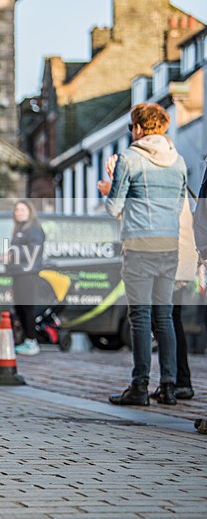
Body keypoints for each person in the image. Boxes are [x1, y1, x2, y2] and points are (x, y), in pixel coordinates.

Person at [98, 103, 186, 406]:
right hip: (169, 244)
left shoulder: (129, 159)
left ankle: (138, 387)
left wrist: (109, 184)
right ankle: (169, 387)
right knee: (165, 317)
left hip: (139, 246)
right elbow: (177, 207)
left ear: (138, 129)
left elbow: (114, 208)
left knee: (140, 317)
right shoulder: (179, 163)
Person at [150, 191, 198, 401]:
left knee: (163, 320)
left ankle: (176, 380)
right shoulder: (179, 178)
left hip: (169, 262)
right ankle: (180, 380)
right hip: (179, 261)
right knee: (170, 320)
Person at [6, 200, 46, 356]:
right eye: (16, 210)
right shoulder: (19, 230)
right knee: (19, 307)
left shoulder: (34, 229)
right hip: (18, 273)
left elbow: (33, 251)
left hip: (28, 273)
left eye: (22, 209)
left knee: (27, 307)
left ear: (30, 211)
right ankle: (26, 339)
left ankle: (31, 340)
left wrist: (11, 255)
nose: (19, 212)